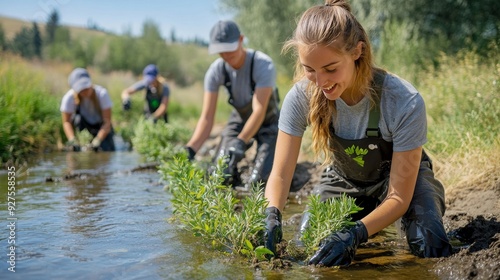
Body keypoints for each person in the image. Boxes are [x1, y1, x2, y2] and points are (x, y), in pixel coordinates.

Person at [263, 0, 453, 267]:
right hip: (344, 181)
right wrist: (271, 215)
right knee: (309, 244)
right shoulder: (301, 96)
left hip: (398, 183)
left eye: (330, 69)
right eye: (309, 70)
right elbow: (281, 174)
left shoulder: (403, 100)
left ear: (357, 51)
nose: (320, 82)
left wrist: (355, 234)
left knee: (429, 243)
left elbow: (399, 197)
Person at [184, 20, 280, 188]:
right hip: (239, 119)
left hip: (268, 121)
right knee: (219, 174)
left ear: (241, 40)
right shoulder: (216, 71)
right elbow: (207, 118)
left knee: (259, 183)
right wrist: (190, 149)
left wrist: (240, 141)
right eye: (221, 52)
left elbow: (259, 111)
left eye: (230, 50)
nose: (226, 56)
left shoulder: (263, 64)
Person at [60, 67, 115, 151]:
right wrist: (72, 140)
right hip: (83, 127)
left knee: (106, 150)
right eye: (81, 89)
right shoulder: (69, 98)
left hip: (102, 128)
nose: (85, 90)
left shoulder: (102, 94)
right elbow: (66, 122)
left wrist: (98, 140)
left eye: (86, 87)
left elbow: (107, 122)